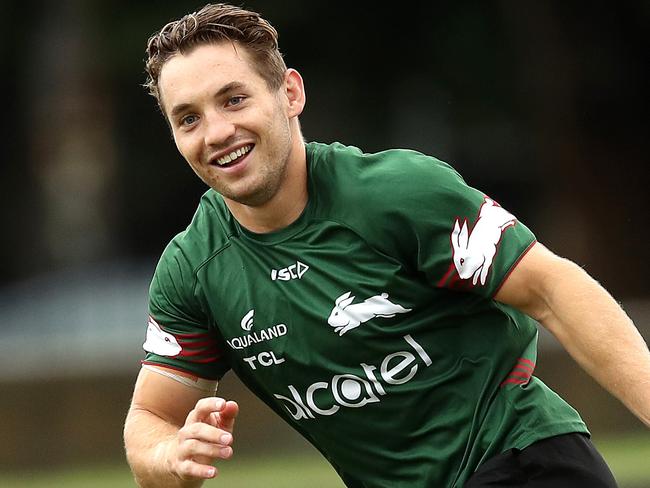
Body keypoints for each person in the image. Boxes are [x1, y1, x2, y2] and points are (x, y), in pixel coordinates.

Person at [123, 3, 650, 487]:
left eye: (234, 99)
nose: (215, 132)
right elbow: (151, 419)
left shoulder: (397, 194)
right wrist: (170, 455)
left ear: (290, 94)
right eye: (188, 118)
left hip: (520, 461)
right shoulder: (194, 268)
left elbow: (554, 289)